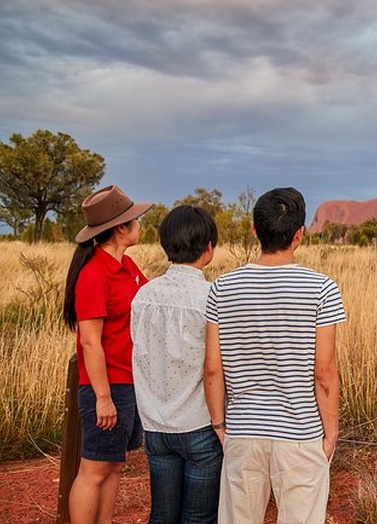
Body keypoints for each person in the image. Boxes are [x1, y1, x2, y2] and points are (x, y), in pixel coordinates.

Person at [204, 187, 346, 524]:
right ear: (299, 235)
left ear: (255, 230)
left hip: (242, 431)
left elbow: (212, 369)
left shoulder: (222, 288)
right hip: (300, 432)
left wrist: (220, 425)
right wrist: (331, 431)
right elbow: (324, 372)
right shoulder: (321, 289)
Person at [62, 184, 153, 524]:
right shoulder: (94, 275)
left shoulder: (127, 267)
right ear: (120, 229)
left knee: (113, 466)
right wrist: (102, 397)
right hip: (107, 384)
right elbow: (89, 342)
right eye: (135, 220)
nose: (139, 225)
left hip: (127, 381)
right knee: (94, 469)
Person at [130, 205, 223, 523]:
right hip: (199, 426)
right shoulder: (211, 298)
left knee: (162, 515)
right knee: (198, 518)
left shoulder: (143, 296)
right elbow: (215, 368)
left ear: (165, 244)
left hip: (155, 425)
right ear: (208, 248)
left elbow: (140, 354)